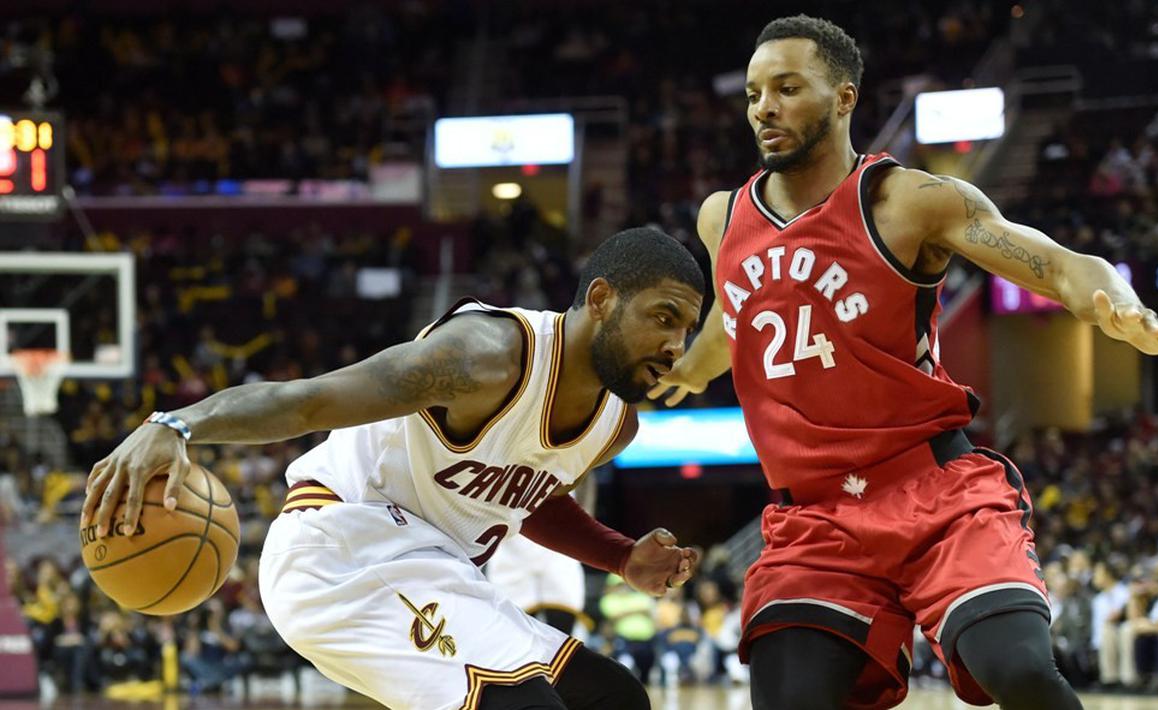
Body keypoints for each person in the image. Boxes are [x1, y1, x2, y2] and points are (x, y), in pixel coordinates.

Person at [649, 14, 1158, 710]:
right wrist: (693, 368)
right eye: (754, 93)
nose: (764, 108)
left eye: (786, 88)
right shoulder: (721, 218)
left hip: (933, 494)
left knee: (1020, 672)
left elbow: (1062, 266)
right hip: (814, 519)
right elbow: (740, 312)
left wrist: (1113, 304)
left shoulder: (905, 203)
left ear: (843, 97)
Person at [81, 227, 706, 710]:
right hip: (341, 548)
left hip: (439, 570)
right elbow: (313, 400)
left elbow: (527, 496)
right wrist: (178, 424)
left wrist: (620, 557)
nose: (677, 346)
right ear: (601, 299)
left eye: (688, 329)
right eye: (663, 317)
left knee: (613, 699)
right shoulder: (482, 358)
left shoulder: (612, 427)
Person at [483, 476, 596, 636]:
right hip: (512, 550)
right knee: (512, 634)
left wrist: (587, 516)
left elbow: (587, 480)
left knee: (563, 636)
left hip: (559, 550)